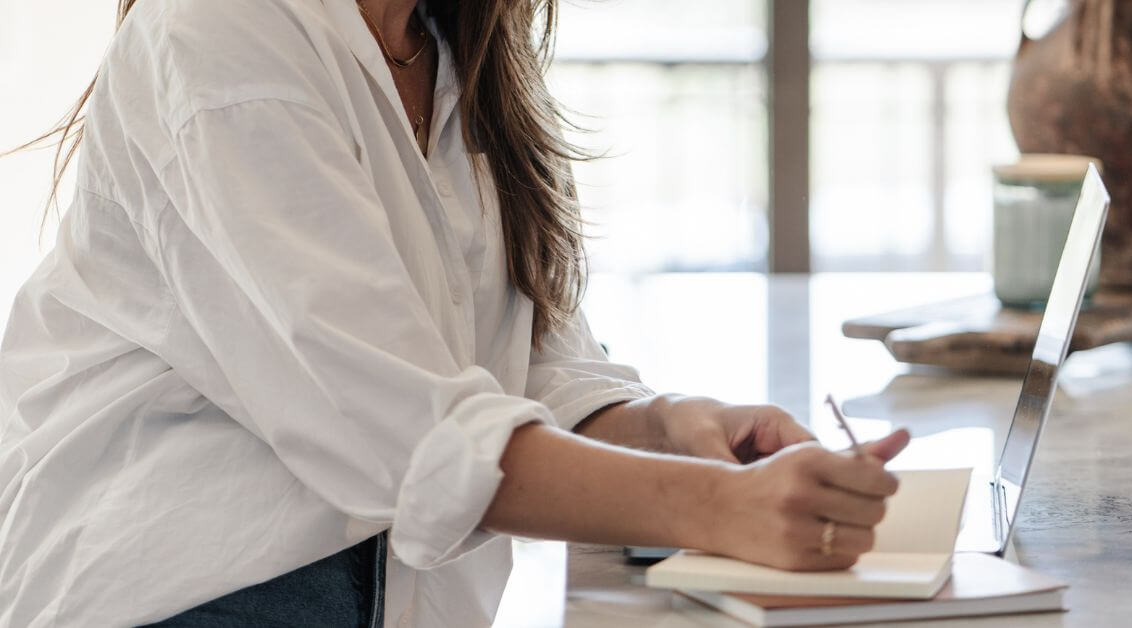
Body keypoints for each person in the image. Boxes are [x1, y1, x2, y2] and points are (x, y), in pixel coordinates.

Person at [0, 0, 911, 625]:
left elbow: (521, 362)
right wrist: (716, 509)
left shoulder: (450, 47)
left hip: (382, 585)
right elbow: (398, 425)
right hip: (187, 589)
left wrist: (670, 429)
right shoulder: (219, 32)